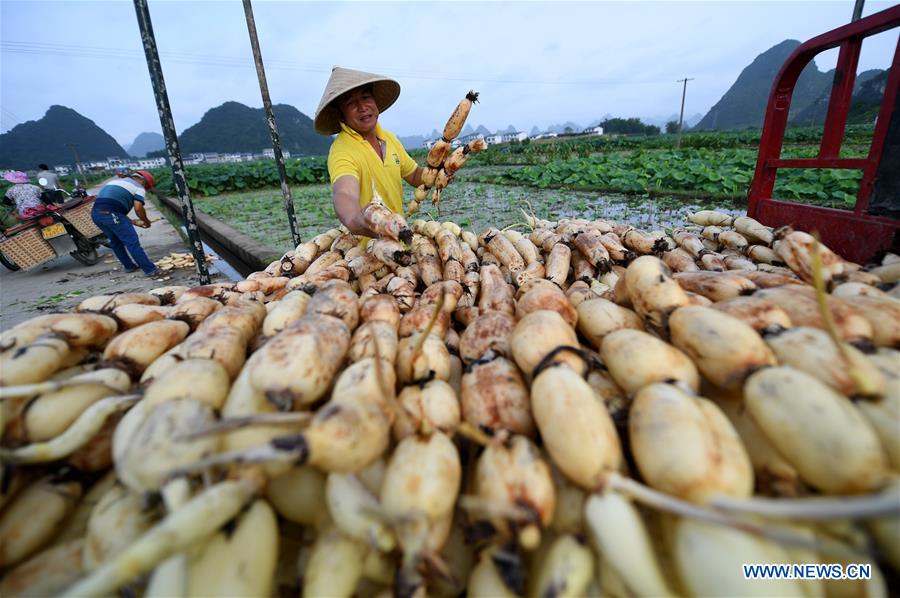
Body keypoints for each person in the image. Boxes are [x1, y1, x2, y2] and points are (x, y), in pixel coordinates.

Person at [314, 66, 424, 237]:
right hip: (368, 250)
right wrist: (355, 220)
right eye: (350, 102)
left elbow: (416, 176)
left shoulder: (389, 138)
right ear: (341, 115)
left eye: (366, 97)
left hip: (400, 237)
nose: (362, 107)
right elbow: (344, 193)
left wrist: (444, 168)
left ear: (375, 102)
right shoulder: (342, 150)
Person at [91, 170, 160, 276]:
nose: (145, 188)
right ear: (143, 181)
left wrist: (131, 221)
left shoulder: (114, 182)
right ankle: (150, 270)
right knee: (132, 242)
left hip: (96, 214)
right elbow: (138, 207)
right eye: (146, 186)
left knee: (116, 241)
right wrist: (146, 221)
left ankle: (129, 266)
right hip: (111, 214)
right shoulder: (138, 187)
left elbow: (112, 205)